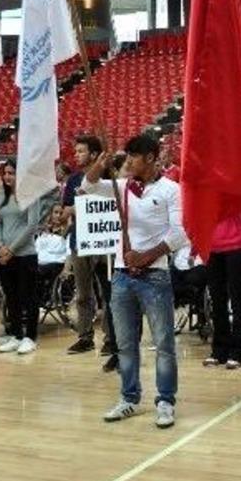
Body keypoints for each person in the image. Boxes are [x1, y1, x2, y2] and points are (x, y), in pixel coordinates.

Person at [81, 134, 187, 429]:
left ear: (151, 157)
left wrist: (146, 256)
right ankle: (129, 398)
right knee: (126, 344)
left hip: (155, 275)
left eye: (134, 156)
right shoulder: (122, 186)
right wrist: (97, 166)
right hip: (121, 276)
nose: (128, 161)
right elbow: (88, 186)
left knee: (164, 343)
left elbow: (180, 234)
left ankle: (165, 400)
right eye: (126, 156)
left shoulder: (171, 190)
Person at [63, 135, 117, 364]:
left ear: (94, 154)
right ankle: (85, 336)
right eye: (76, 151)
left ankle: (111, 338)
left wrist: (87, 205)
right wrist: (82, 206)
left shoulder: (108, 178)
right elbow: (65, 211)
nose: (76, 155)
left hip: (106, 242)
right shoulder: (74, 180)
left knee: (109, 293)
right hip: (80, 241)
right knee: (83, 294)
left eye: (81, 151)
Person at [0, 160, 46, 356]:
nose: (8, 177)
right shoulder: (3, 196)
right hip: (4, 256)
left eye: (12, 173)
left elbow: (31, 226)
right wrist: (0, 247)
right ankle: (15, 335)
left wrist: (11, 250)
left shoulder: (31, 195)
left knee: (28, 298)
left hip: (25, 255)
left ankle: (30, 337)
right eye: (6, 173)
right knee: (11, 298)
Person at [203, 211, 241, 370]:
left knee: (237, 300)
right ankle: (219, 349)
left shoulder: (235, 188)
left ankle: (239, 351)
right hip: (211, 248)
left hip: (236, 247)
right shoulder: (204, 190)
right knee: (217, 301)